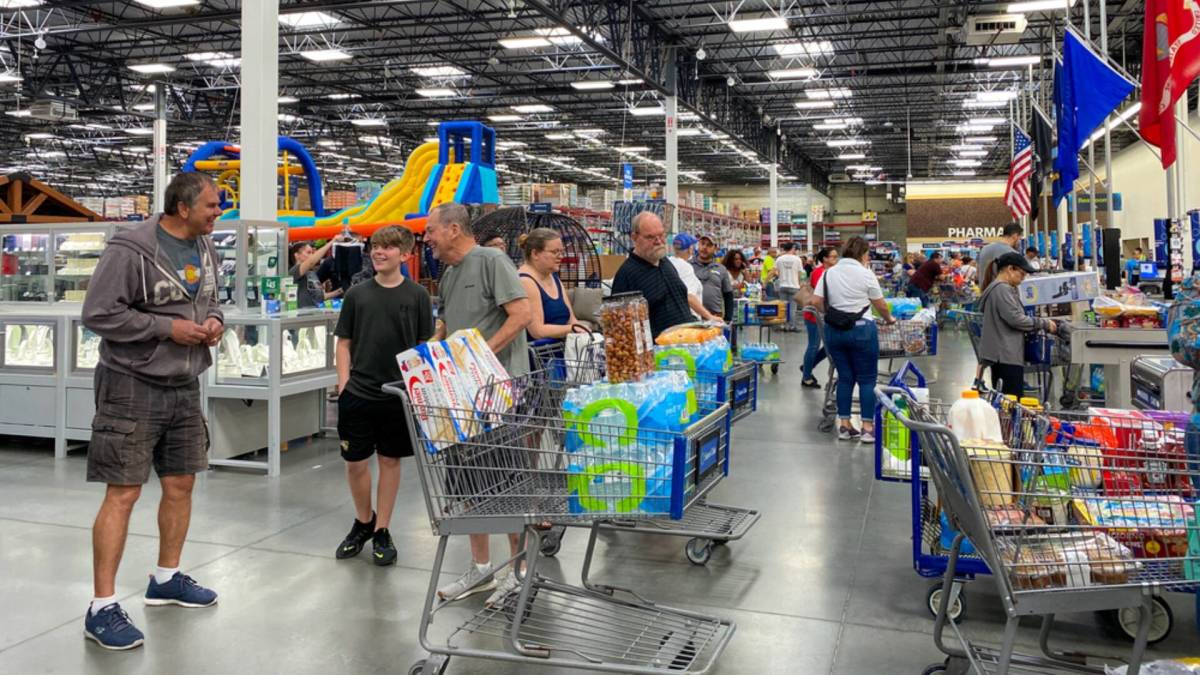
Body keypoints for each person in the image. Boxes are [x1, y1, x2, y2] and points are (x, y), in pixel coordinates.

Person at [80, 173, 225, 650]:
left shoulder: (205, 246)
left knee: (181, 483)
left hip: (185, 383)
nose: (218, 212)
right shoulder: (129, 249)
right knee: (123, 492)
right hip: (131, 385)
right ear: (182, 207)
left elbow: (212, 299)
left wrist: (213, 321)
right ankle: (101, 606)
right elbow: (98, 314)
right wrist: (167, 329)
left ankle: (166, 578)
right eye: (211, 205)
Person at [425, 202, 532, 607]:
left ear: (453, 229)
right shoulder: (450, 273)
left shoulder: (492, 261)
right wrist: (428, 350)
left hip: (498, 393)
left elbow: (521, 314)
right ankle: (481, 568)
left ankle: (518, 569)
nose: (427, 238)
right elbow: (446, 323)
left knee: (506, 485)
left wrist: (480, 355)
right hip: (462, 396)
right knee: (470, 484)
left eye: (432, 230)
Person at [333, 226, 432, 566]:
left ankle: (382, 529)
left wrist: (417, 389)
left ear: (405, 254)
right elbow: (344, 343)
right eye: (375, 246)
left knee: (390, 461)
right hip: (357, 392)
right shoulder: (357, 295)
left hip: (397, 395)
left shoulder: (418, 296)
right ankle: (363, 521)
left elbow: (423, 345)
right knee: (355, 462)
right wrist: (344, 385)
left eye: (388, 247)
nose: (378, 252)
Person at [812, 237, 896, 443]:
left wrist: (832, 315)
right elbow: (880, 305)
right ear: (863, 254)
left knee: (845, 377)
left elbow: (815, 301)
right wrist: (889, 319)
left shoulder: (829, 273)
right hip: (862, 331)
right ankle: (867, 428)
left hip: (834, 332)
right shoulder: (866, 274)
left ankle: (844, 425)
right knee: (867, 379)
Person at [611, 212, 720, 337]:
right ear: (634, 237)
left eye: (661, 235)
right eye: (650, 237)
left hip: (686, 343)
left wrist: (705, 320)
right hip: (661, 347)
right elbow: (620, 330)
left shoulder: (664, 262)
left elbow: (682, 298)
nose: (659, 241)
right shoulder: (626, 275)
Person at [978, 252, 1056, 397]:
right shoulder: (1002, 289)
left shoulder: (1000, 288)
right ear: (1010, 269)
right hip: (1006, 354)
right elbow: (1015, 319)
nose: (1023, 278)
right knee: (1011, 401)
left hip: (1003, 353)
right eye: (1022, 274)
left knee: (1005, 400)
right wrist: (1043, 323)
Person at [517, 227, 585, 339]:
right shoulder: (526, 282)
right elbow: (537, 331)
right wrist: (572, 328)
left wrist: (581, 330)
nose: (561, 257)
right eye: (554, 252)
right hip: (539, 349)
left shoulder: (554, 278)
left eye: (561, 252)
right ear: (535, 254)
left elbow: (571, 319)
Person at [801, 246, 837, 388]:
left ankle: (808, 366)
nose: (836, 259)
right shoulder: (819, 272)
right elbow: (820, 294)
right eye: (833, 256)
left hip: (825, 315)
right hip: (814, 315)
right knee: (814, 345)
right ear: (825, 259)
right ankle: (806, 377)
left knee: (829, 345)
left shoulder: (831, 271)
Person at [691, 233, 736, 324]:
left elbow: (728, 295)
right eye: (702, 244)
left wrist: (728, 319)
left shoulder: (721, 269)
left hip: (715, 317)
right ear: (698, 245)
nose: (704, 247)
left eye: (709, 245)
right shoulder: (688, 266)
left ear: (715, 248)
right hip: (692, 316)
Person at [289, 239, 343, 308]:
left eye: (312, 252)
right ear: (297, 255)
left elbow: (319, 296)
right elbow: (311, 262)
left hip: (315, 312)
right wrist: (332, 242)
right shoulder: (294, 271)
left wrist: (339, 291)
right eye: (308, 252)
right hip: (303, 313)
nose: (312, 255)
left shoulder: (312, 273)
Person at [667, 232, 705, 317]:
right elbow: (689, 297)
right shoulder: (685, 267)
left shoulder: (668, 262)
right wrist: (709, 316)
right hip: (688, 318)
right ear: (690, 249)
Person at [772, 242, 806, 331]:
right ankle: (792, 326)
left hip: (782, 286)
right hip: (794, 286)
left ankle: (782, 325)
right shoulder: (797, 259)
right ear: (793, 248)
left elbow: (774, 271)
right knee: (792, 308)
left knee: (783, 307)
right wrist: (800, 284)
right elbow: (800, 273)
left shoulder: (779, 259)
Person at [978, 223, 1023, 289]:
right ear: (1015, 236)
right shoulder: (1012, 253)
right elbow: (1014, 279)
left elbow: (978, 272)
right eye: (1019, 238)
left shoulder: (984, 249)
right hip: (1002, 293)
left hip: (984, 292)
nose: (1019, 241)